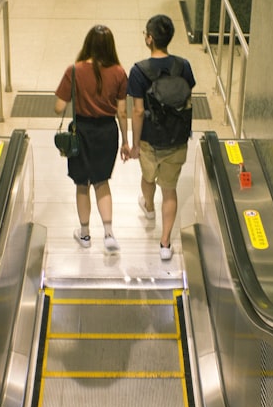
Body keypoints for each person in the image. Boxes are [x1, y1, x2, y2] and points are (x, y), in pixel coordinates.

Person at [54, 25, 130, 252]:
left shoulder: (74, 71)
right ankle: (108, 233)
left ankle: (85, 234)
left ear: (87, 44)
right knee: (101, 182)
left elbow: (59, 107)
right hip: (107, 132)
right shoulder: (118, 72)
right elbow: (122, 112)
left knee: (82, 184)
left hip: (81, 131)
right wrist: (125, 141)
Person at [127, 14, 196, 260]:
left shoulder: (138, 71)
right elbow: (185, 98)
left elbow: (137, 111)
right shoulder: (184, 66)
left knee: (148, 178)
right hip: (177, 139)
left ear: (149, 38)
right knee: (170, 190)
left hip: (149, 139)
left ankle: (148, 207)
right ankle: (165, 243)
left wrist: (134, 145)